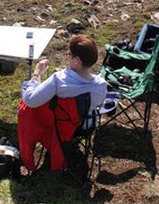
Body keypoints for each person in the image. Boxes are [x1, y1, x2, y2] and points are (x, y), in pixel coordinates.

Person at [17, 34, 107, 172]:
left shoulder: (59, 81)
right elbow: (98, 105)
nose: (67, 56)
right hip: (83, 126)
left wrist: (36, 74)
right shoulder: (100, 85)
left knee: (27, 98)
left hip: (58, 127)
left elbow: (30, 100)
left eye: (69, 54)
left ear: (77, 60)